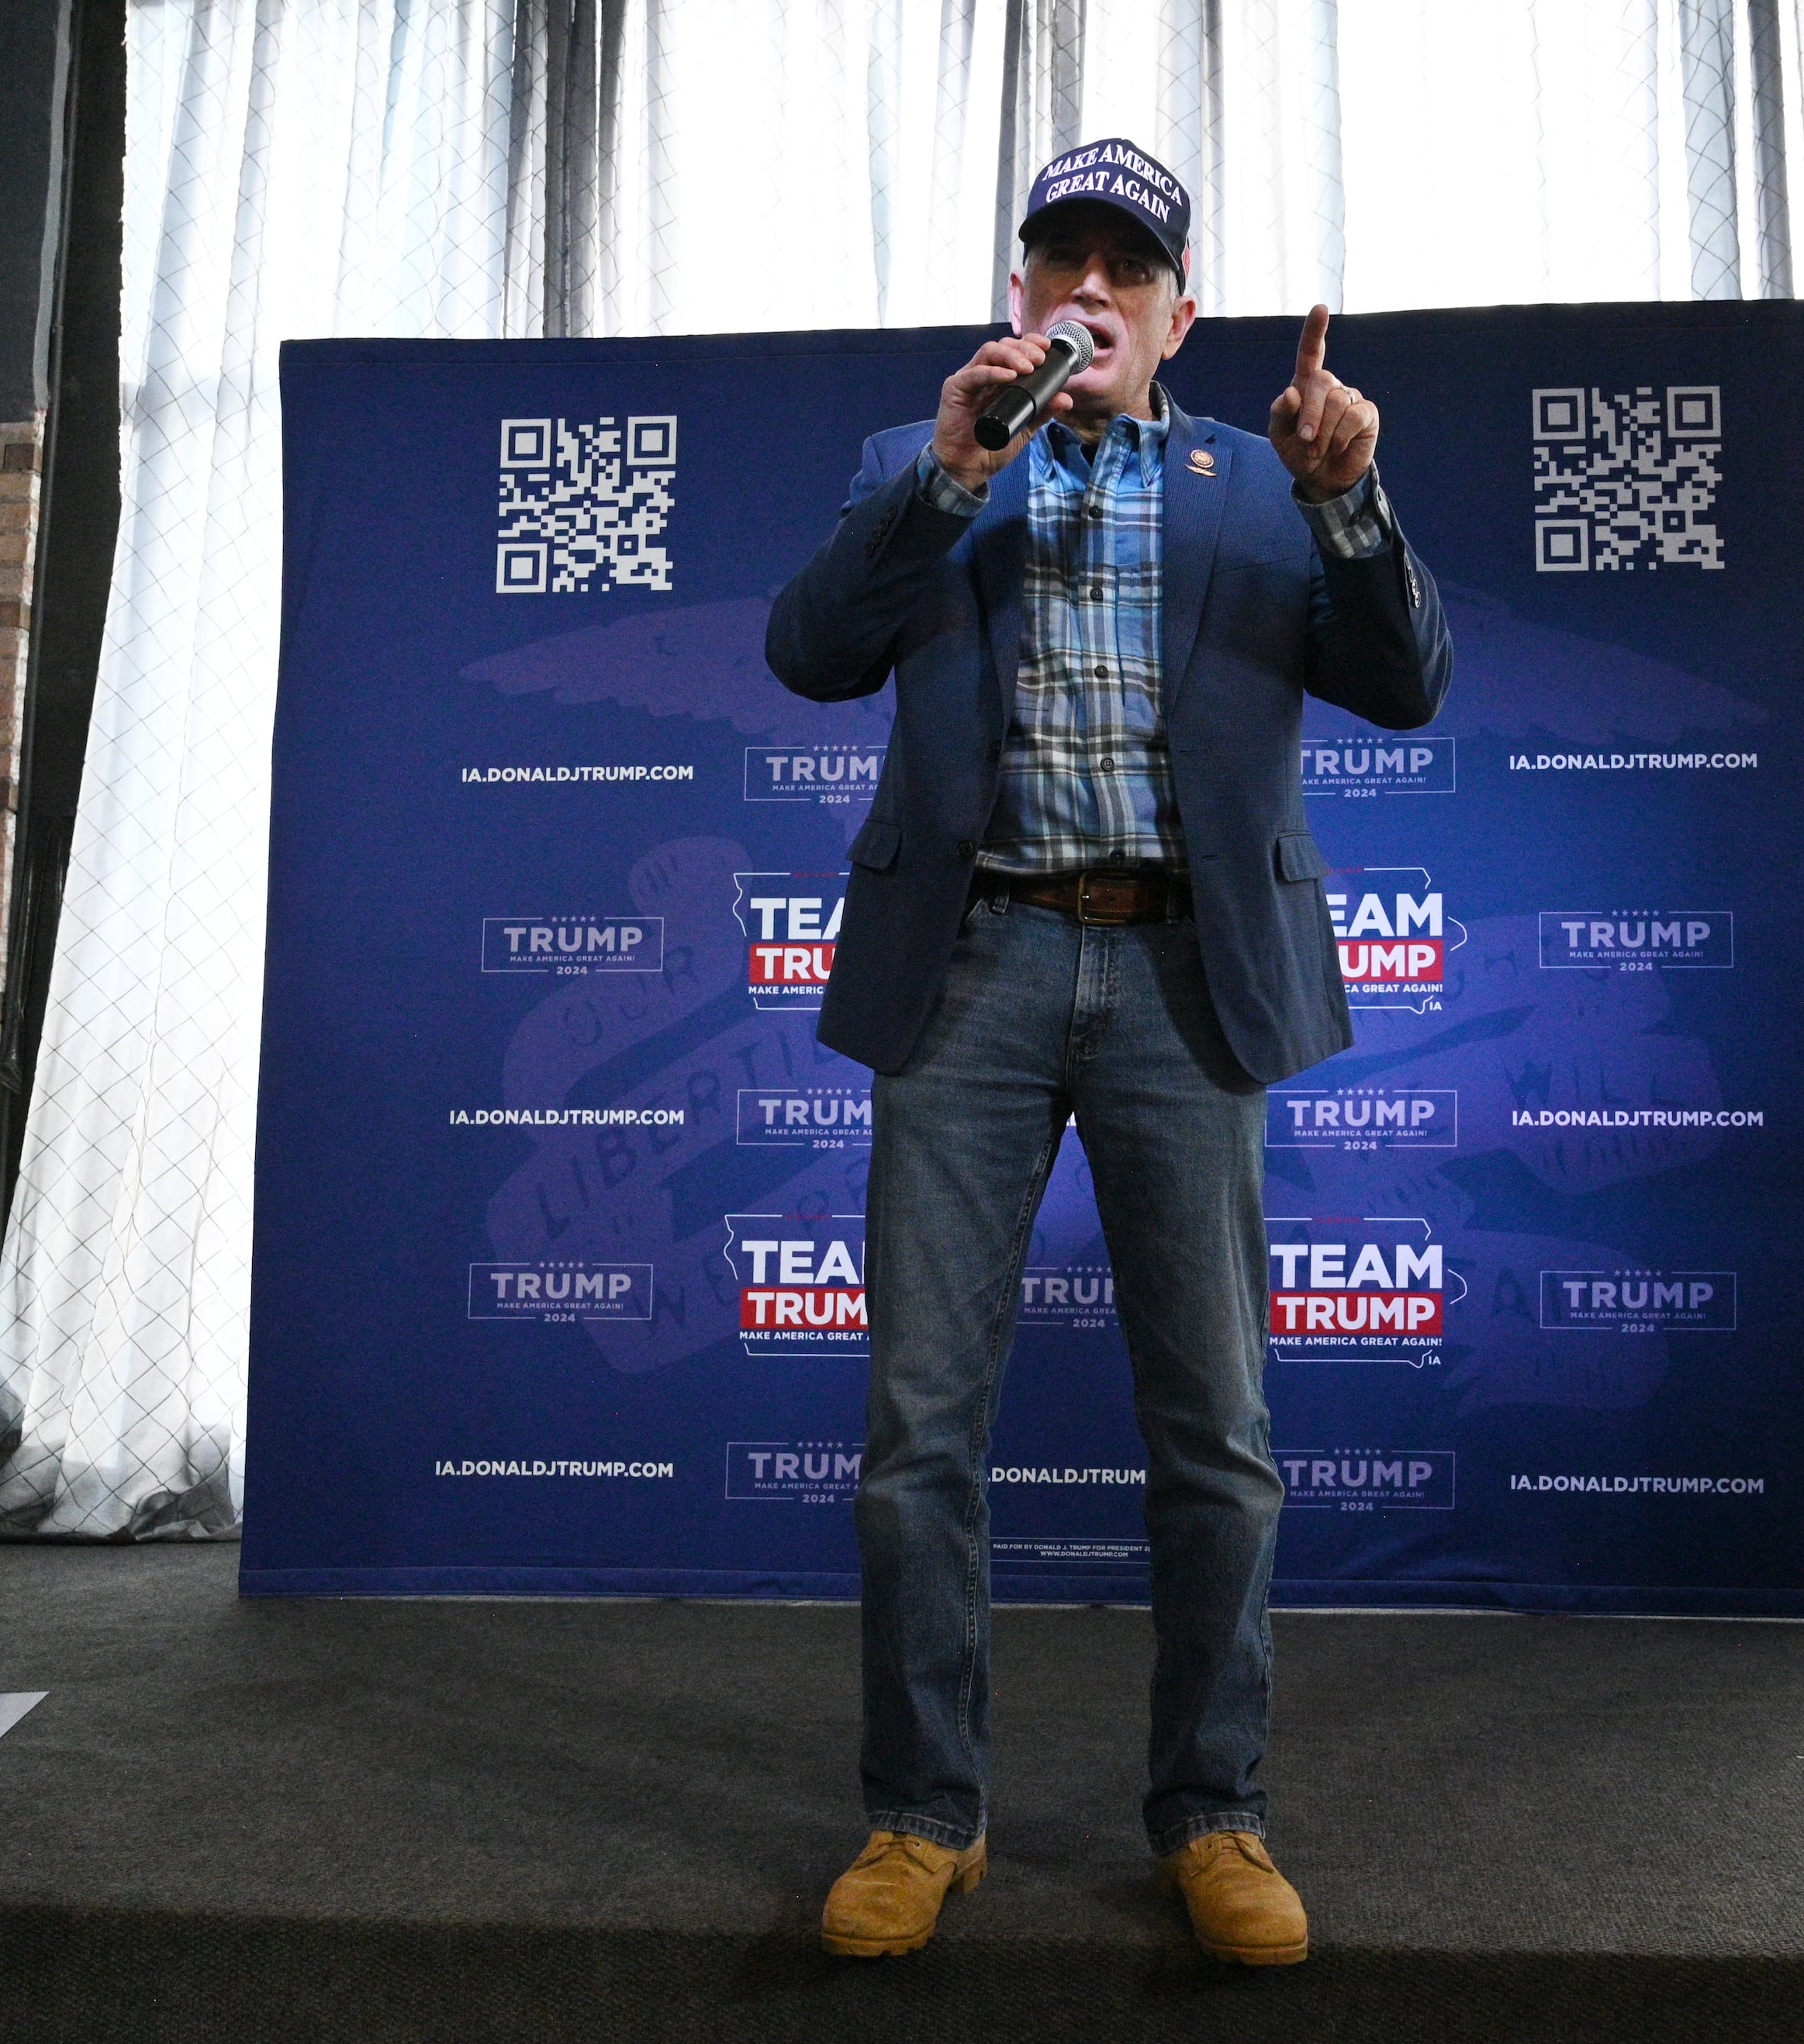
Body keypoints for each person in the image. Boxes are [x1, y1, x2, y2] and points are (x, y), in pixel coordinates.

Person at [764, 136, 1453, 1967]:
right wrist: (940, 476)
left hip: (1180, 977)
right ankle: (925, 1811)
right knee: (920, 1432)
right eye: (1057, 266)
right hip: (969, 969)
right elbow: (809, 652)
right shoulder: (920, 462)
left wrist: (1353, 508)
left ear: (1178, 314)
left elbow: (1407, 682)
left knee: (1216, 1433)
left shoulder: (1254, 483)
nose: (1087, 297)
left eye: (1123, 273)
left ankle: (1214, 1812)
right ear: (1017, 300)